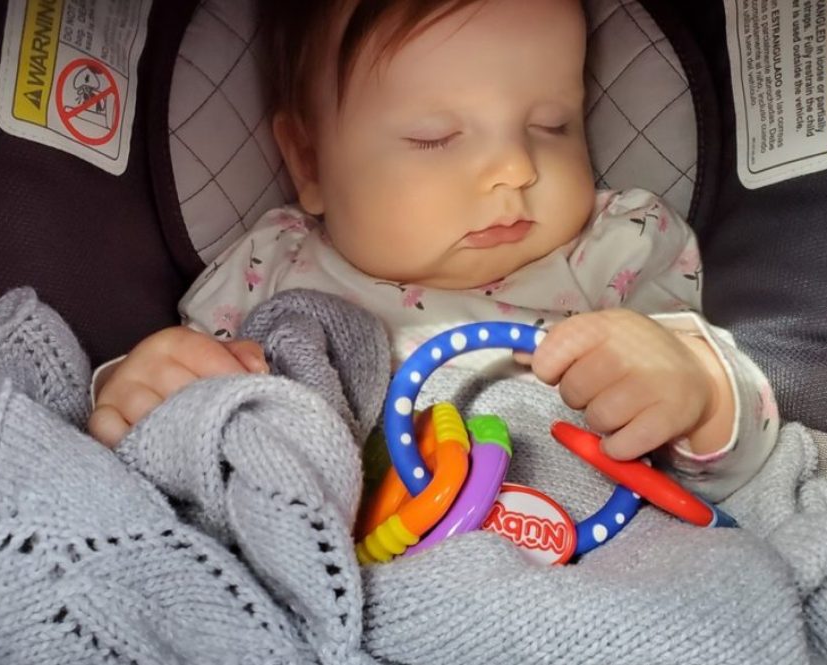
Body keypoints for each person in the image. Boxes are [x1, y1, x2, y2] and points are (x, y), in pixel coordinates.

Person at [89, 0, 778, 500]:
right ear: (309, 162)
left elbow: (740, 456)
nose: (515, 168)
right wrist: (141, 389)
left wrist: (697, 391)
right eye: (435, 138)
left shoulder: (614, 251)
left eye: (552, 125)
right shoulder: (267, 268)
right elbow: (173, 431)